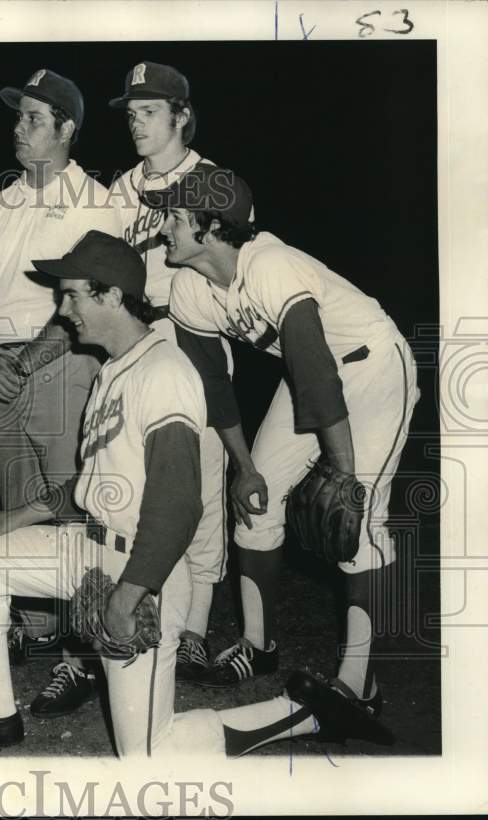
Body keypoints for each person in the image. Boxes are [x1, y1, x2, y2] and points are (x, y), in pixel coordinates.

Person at [0, 230, 396, 757]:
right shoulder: (113, 370)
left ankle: (304, 713)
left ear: (113, 296)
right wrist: (20, 514)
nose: (62, 308)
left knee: (147, 754)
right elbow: (97, 484)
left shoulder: (164, 372)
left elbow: (178, 504)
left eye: (72, 294)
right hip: (89, 552)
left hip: (148, 573)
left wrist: (130, 591)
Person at [150, 164, 418, 706]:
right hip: (308, 375)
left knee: (359, 515)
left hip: (372, 365)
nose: (164, 229)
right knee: (256, 501)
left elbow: (318, 371)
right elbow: (215, 387)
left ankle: (358, 683)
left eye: (176, 217)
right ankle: (258, 643)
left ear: (210, 226)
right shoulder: (189, 289)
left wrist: (343, 472)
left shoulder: (269, 265)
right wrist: (244, 465)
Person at [0, 69, 120, 713]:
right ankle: (42, 629)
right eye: (18, 117)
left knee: (74, 502)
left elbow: (90, 299)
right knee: (21, 504)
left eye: (33, 119)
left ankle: (81, 658)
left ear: (66, 130)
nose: (18, 129)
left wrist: (24, 361)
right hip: (2, 366)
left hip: (62, 362)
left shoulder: (95, 200)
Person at [106, 61, 230, 682]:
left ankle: (195, 633)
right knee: (124, 477)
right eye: (131, 113)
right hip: (134, 335)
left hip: (194, 335)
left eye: (149, 111)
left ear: (181, 115)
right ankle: (116, 616)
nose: (137, 123)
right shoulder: (119, 188)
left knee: (201, 486)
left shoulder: (212, 181)